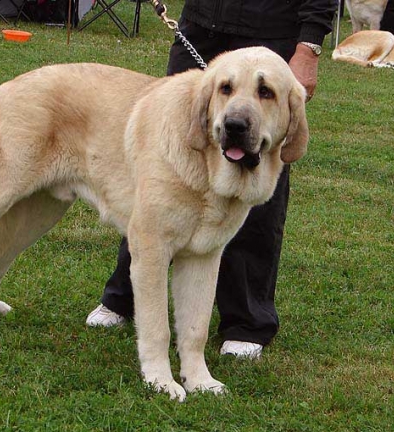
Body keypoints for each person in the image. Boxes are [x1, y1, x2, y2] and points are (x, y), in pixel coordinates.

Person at [86, 0, 337, 359]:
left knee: (257, 174)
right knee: (160, 174)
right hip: (203, 27)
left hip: (273, 33)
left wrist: (308, 46)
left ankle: (246, 321)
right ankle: (122, 297)